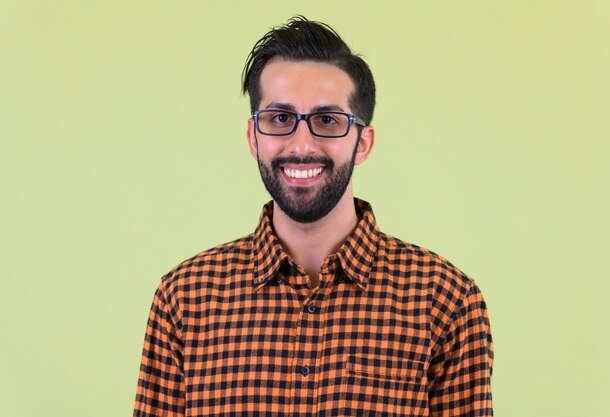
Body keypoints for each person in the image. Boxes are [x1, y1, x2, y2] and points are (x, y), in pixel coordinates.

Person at [133, 16, 494, 417]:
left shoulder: (445, 302)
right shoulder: (184, 300)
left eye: (327, 120)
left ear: (363, 142)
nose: (301, 144)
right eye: (280, 118)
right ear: (254, 137)